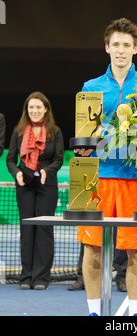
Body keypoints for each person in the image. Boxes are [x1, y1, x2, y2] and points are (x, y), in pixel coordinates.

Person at [76, 18, 137, 316]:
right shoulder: (91, 87)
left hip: (135, 179)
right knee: (93, 250)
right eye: (116, 45)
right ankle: (93, 312)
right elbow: (86, 139)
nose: (121, 50)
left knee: (136, 251)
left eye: (127, 45)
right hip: (96, 178)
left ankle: (136, 314)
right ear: (107, 48)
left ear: (135, 49)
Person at [6, 91, 64, 290]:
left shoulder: (54, 132)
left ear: (45, 109)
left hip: (47, 185)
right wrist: (17, 174)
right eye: (31, 107)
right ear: (26, 110)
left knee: (44, 229)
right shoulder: (18, 131)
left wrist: (48, 171)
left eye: (38, 107)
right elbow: (10, 159)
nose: (35, 111)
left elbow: (58, 159)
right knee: (27, 229)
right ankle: (26, 276)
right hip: (25, 185)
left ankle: (41, 277)